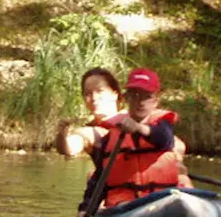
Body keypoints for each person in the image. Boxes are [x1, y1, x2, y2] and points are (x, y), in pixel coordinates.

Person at [74, 67, 183, 217]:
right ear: (126, 98)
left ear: (156, 100)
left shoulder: (163, 126)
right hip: (125, 208)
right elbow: (99, 181)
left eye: (147, 96)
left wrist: (138, 128)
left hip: (162, 202)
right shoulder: (110, 138)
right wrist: (85, 210)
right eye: (135, 95)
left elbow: (164, 140)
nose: (141, 101)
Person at [57, 67, 191, 185]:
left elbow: (177, 145)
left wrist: (175, 161)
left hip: (154, 186)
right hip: (120, 191)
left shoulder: (142, 116)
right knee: (92, 177)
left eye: (100, 91)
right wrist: (61, 133)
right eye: (88, 94)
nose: (94, 98)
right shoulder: (90, 132)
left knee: (183, 178)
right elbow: (68, 149)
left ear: (116, 94)